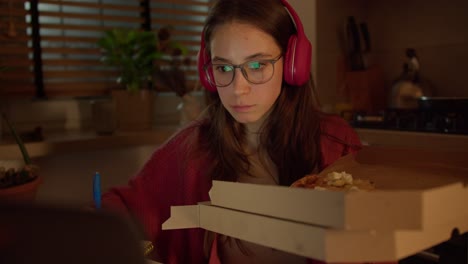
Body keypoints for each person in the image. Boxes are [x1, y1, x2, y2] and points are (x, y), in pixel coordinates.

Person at [101, 0, 382, 263]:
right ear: (209, 73)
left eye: (257, 65)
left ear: (293, 64)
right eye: (223, 67)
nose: (238, 88)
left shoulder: (336, 144)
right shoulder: (191, 147)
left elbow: (375, 248)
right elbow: (122, 211)